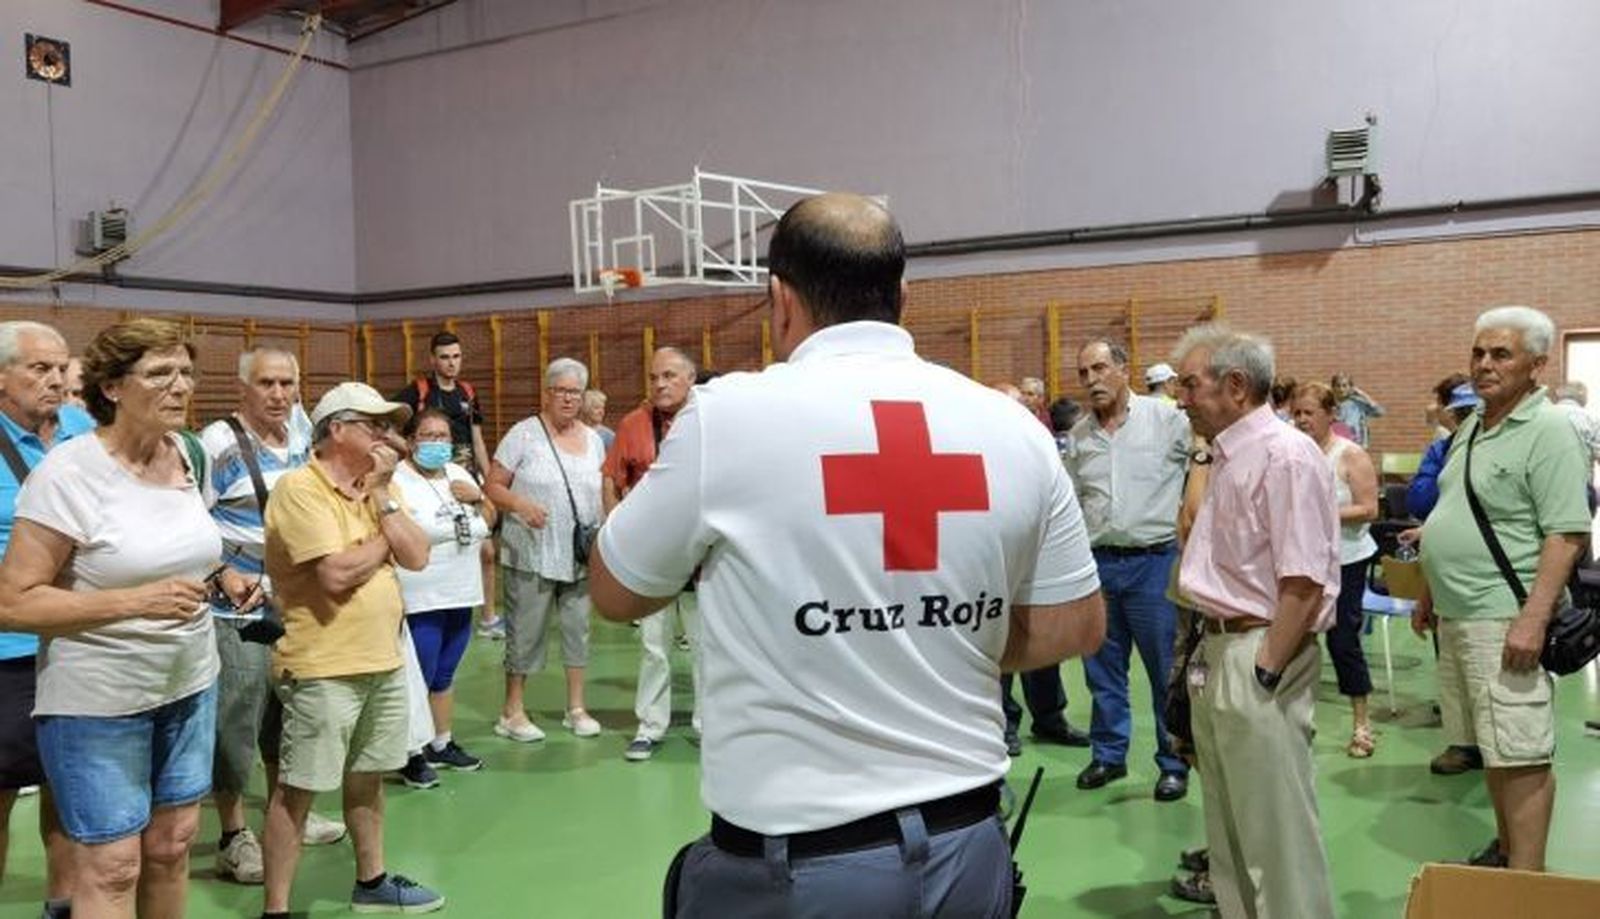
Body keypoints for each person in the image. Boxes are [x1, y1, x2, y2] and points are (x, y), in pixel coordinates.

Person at [590, 192, 1106, 917]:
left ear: (778, 299)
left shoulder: (729, 417)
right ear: (901, 295)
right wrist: (923, 638)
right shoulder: (1009, 425)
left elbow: (617, 591)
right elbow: (1075, 624)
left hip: (802, 870)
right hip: (970, 851)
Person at [0, 318, 246, 919]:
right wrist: (135, 602)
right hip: (99, 703)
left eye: (186, 372)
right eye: (159, 373)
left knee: (171, 847)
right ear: (112, 387)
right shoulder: (70, 473)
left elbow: (176, 554)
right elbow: (13, 601)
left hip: (188, 687)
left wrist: (222, 580)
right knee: (112, 870)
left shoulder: (186, 454)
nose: (180, 386)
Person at [1413, 306, 1590, 872]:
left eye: (1501, 354)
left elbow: (1566, 534)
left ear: (1537, 365)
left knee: (1522, 755)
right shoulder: (1473, 424)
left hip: (1504, 616)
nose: (1483, 365)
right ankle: (1507, 851)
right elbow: (1456, 507)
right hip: (1458, 613)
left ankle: (1525, 882)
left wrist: (1533, 619)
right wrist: (1429, 590)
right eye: (1478, 353)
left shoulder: (1550, 430)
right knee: (1493, 746)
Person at [1174, 323, 1340, 919]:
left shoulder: (1285, 455)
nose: (1181, 396)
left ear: (1237, 385)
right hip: (1220, 648)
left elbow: (1303, 578)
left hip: (1259, 653)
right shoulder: (1228, 456)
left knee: (1278, 837)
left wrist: (1267, 667)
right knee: (1231, 829)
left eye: (1191, 384)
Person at [259, 382, 442, 916]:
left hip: (382, 660)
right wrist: (385, 540)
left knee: (368, 778)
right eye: (375, 425)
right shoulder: (300, 489)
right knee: (298, 791)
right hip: (322, 667)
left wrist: (383, 499)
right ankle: (277, 908)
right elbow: (336, 574)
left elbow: (419, 555)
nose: (388, 437)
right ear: (336, 430)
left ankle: (373, 880)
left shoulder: (379, 488)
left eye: (390, 426)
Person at [200, 346, 347, 886]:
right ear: (243, 387)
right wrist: (219, 573)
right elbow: (188, 520)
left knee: (286, 714)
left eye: (287, 383)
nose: (279, 394)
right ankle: (233, 834)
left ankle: (284, 813)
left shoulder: (304, 439)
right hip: (233, 610)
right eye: (267, 383)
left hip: (295, 605)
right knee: (236, 718)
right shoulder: (215, 445)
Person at [1066, 340, 1192, 801]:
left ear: (1124, 370)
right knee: (1102, 670)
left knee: (1164, 671)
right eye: (1083, 373)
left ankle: (1174, 760)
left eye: (1099, 368)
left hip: (1153, 563)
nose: (1091, 379)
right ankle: (1108, 754)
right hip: (1098, 566)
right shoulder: (1079, 437)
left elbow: (1202, 469)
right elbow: (1076, 499)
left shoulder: (1168, 420)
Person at [0, 321, 91, 919]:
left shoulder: (84, 432)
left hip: (81, 639)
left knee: (69, 784)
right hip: (8, 650)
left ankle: (62, 905)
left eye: (61, 368)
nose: (56, 379)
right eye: (39, 368)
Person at [485, 358, 606, 742]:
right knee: (525, 632)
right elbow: (494, 485)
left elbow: (603, 491)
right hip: (531, 551)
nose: (569, 399)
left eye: (575, 392)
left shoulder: (594, 440)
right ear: (547, 392)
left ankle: (576, 708)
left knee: (578, 630)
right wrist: (520, 505)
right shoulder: (523, 434)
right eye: (562, 391)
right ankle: (512, 711)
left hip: (577, 554)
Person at [602, 347, 702, 762]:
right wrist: (616, 535)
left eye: (670, 376)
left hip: (701, 555)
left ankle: (710, 727)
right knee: (653, 645)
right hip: (650, 557)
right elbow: (610, 480)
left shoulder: (709, 421)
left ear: (691, 378)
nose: (660, 384)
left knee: (706, 647)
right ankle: (650, 725)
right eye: (654, 376)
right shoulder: (632, 424)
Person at [392, 408, 495, 788]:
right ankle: (409, 753)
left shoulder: (460, 474)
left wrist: (480, 495)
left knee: (445, 673)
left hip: (461, 590)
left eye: (443, 437)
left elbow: (489, 519)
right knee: (418, 676)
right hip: (421, 595)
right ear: (410, 440)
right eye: (428, 436)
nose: (437, 443)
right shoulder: (398, 481)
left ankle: (441, 741)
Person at [390, 331, 501, 640]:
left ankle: (488, 615)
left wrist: (487, 479)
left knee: (487, 550)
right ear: (432, 359)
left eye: (456, 356)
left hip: (464, 477)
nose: (451, 363)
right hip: (428, 478)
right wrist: (410, 450)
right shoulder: (419, 390)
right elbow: (386, 424)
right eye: (444, 357)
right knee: (441, 538)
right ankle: (427, 610)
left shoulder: (467, 391)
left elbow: (477, 438)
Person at [1291, 381, 1381, 758]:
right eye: (1296, 413)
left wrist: (1322, 515)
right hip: (1305, 561)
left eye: (1309, 413)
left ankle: (1362, 725)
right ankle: (1298, 720)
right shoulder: (1293, 454)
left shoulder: (1350, 455)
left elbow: (1369, 509)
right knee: (1297, 641)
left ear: (1331, 414)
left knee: (1343, 641)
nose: (1301, 420)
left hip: (1348, 560)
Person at [1332, 372, 1384, 447]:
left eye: (1344, 386)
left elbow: (1379, 412)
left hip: (1356, 446)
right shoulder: (1329, 404)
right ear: (1333, 388)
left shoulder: (1358, 403)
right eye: (1338, 386)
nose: (1341, 389)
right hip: (1336, 446)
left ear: (1350, 387)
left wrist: (1363, 395)